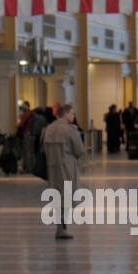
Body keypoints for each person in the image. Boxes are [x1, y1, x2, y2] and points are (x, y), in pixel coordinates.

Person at [42, 102, 84, 241]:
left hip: (52, 168)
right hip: (68, 168)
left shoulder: (48, 129)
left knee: (57, 197)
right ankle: (61, 229)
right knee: (67, 197)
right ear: (65, 114)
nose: (73, 116)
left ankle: (60, 228)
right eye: (72, 113)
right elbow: (79, 150)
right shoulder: (70, 130)